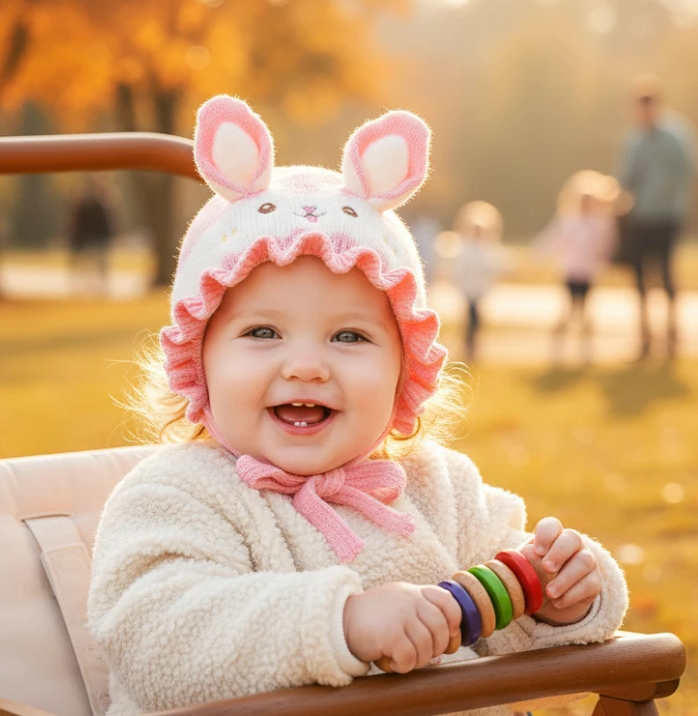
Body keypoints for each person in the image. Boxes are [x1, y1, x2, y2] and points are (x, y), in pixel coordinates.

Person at [87, 96, 628, 716]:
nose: (306, 366)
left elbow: (512, 636)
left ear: (404, 370)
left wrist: (558, 600)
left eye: (349, 336)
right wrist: (339, 623)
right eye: (262, 332)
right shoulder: (176, 496)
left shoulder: (440, 488)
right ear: (198, 360)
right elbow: (158, 642)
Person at [616, 75, 696, 360]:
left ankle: (672, 332)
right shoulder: (634, 140)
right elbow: (627, 177)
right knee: (638, 275)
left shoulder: (676, 136)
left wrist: (667, 196)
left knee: (665, 272)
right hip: (640, 216)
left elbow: (687, 171)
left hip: (667, 215)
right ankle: (645, 335)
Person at [534, 171, 619, 366]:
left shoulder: (599, 225)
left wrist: (606, 261)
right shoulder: (569, 222)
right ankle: (557, 346)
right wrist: (539, 256)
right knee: (568, 309)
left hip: (588, 272)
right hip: (571, 271)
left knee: (585, 311)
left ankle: (586, 348)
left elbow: (606, 246)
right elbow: (553, 240)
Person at [449, 201, 507, 363]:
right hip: (468, 289)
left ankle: (471, 343)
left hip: (479, 289)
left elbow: (494, 267)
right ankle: (469, 343)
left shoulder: (486, 249)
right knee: (472, 315)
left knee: (475, 316)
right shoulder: (465, 248)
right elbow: (459, 269)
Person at [68, 174, 115, 296]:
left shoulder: (104, 203)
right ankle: (89, 287)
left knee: (100, 264)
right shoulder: (86, 204)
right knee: (90, 264)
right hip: (91, 237)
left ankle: (100, 288)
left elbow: (108, 222)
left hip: (100, 236)